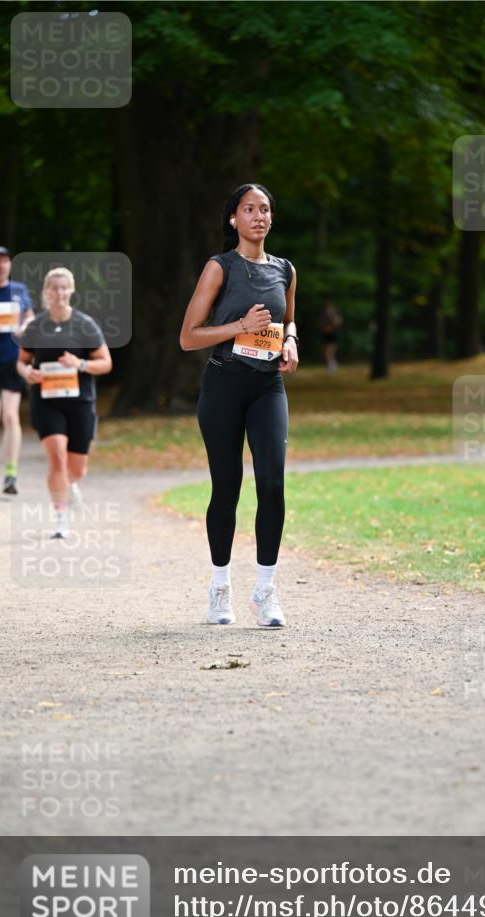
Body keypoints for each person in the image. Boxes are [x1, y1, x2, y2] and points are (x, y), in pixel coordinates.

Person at [180, 183, 298, 627]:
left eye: (265, 209)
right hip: (224, 385)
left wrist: (291, 341)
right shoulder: (219, 267)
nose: (259, 216)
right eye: (249, 209)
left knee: (272, 482)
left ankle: (265, 590)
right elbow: (188, 336)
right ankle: (220, 586)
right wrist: (239, 326)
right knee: (226, 485)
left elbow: (288, 318)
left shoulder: (285, 269)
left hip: (268, 387)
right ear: (234, 219)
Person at [17, 267, 112, 539]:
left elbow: (105, 363)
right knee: (57, 456)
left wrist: (79, 363)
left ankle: (71, 484)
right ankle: (60, 519)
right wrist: (27, 373)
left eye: (63, 288)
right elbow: (21, 362)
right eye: (53, 288)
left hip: (80, 402)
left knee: (76, 468)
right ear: (46, 292)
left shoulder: (84, 324)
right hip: (46, 401)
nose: (58, 293)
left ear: (71, 291)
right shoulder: (35, 326)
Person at [0, 246, 34, 495]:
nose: (1, 265)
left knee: (11, 416)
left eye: (5, 261)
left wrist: (25, 327)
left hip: (13, 361)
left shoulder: (19, 291)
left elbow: (30, 317)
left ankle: (11, 474)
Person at [316, 300, 343, 373]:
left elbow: (338, 322)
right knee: (326, 351)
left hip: (333, 335)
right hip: (326, 335)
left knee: (330, 351)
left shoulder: (335, 315)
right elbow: (320, 324)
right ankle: (332, 365)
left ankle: (332, 366)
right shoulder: (324, 315)